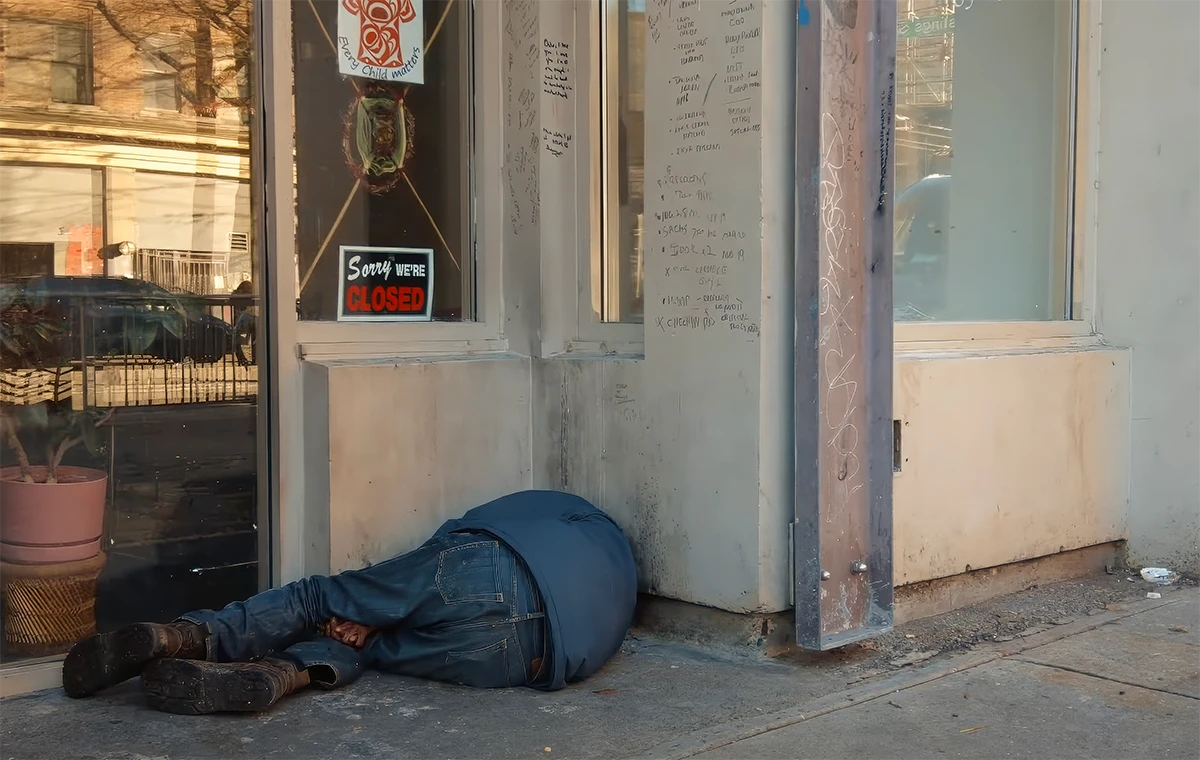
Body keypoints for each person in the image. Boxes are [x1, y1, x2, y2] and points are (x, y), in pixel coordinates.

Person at [63, 490, 637, 715]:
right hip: (523, 658)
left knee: (322, 597)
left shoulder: (562, 507)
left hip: (494, 567)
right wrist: (376, 627)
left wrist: (377, 601)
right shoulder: (616, 578)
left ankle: (188, 635)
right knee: (371, 648)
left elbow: (469, 531)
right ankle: (280, 674)